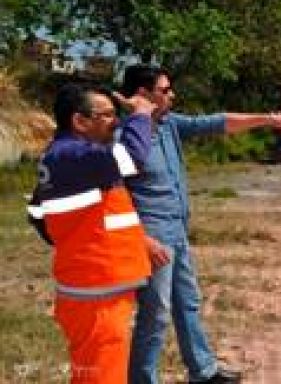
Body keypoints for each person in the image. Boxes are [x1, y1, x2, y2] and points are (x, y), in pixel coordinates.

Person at [121, 65, 281, 384]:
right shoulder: (126, 136)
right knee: (155, 315)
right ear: (142, 95)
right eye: (165, 90)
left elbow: (218, 122)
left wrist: (268, 119)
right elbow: (114, 196)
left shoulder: (168, 125)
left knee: (187, 301)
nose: (172, 95)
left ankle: (203, 372)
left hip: (176, 230)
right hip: (152, 240)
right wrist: (140, 239)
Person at [26, 83, 170, 383]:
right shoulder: (74, 155)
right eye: (106, 115)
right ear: (79, 121)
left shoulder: (69, 159)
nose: (115, 121)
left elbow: (41, 215)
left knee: (93, 374)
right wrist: (142, 114)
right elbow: (134, 157)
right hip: (96, 297)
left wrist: (133, 239)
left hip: (96, 292)